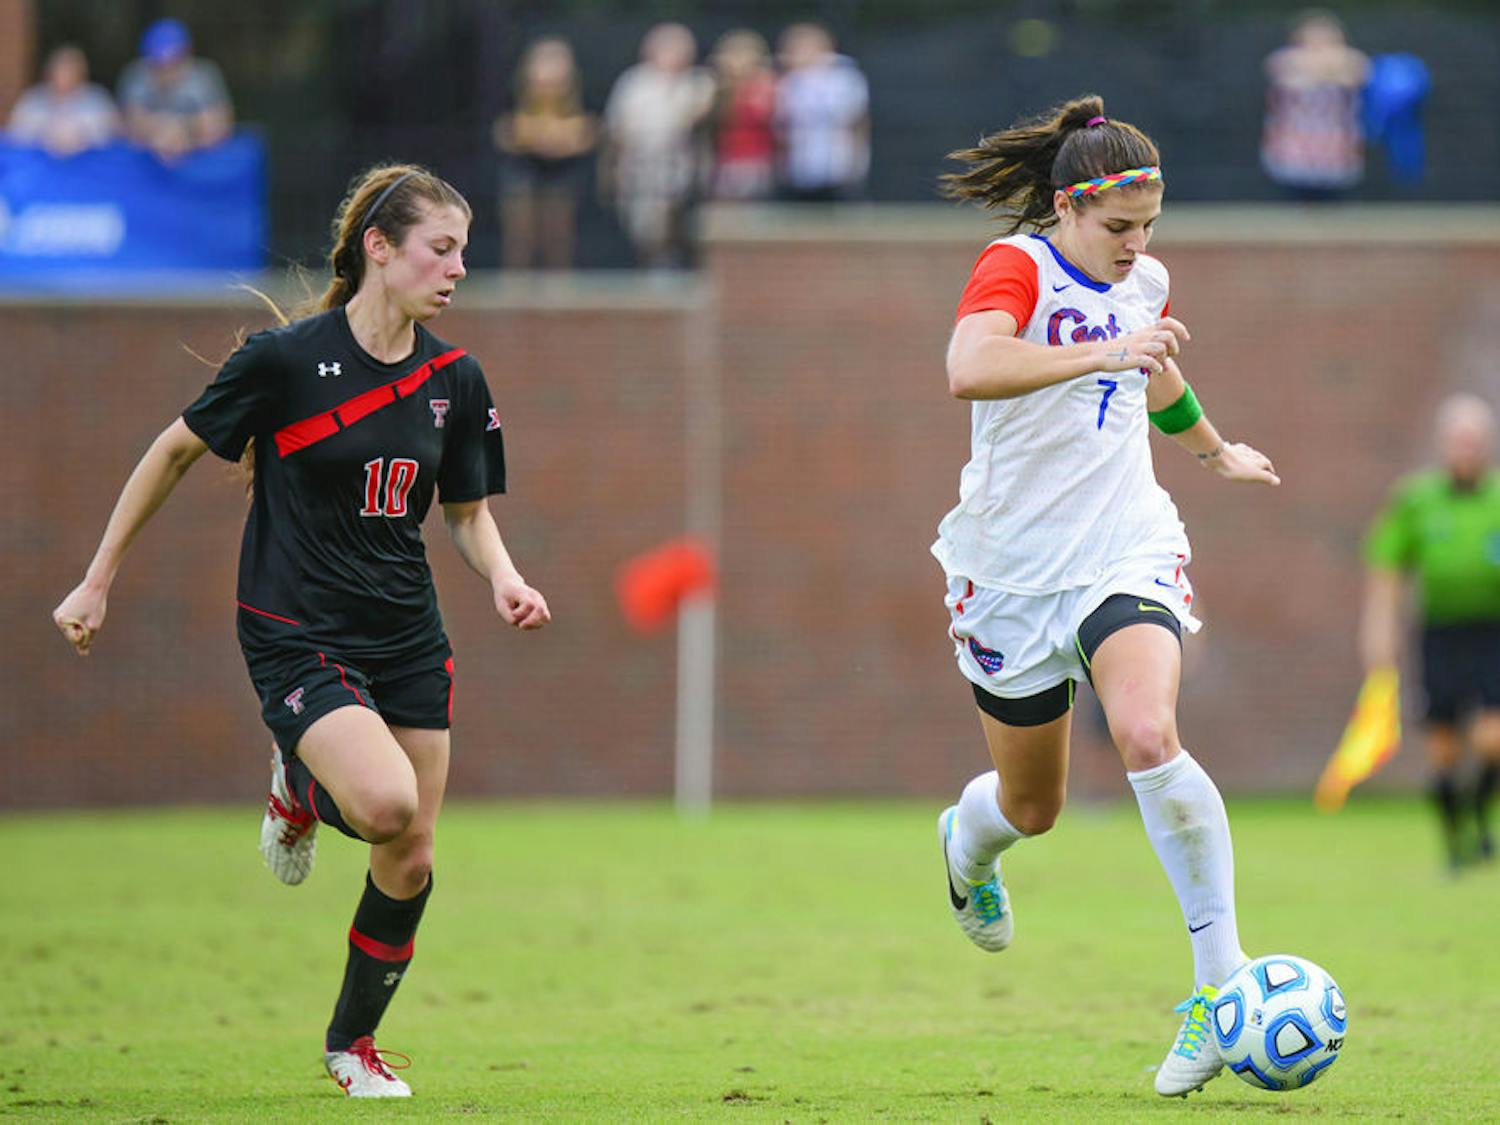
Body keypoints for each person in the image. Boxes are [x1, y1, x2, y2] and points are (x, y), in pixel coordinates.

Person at [51, 164, 550, 1098]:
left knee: (413, 853)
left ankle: (350, 1046)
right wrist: (96, 578)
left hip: (407, 634)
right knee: (386, 805)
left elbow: (467, 513)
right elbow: (172, 452)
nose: (457, 270)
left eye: (463, 254)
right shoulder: (284, 362)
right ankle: (300, 779)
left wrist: (509, 579)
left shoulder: (457, 378)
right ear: (379, 248)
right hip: (296, 628)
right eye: (440, 249)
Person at [932, 95, 1281, 1098]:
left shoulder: (1147, 280)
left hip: (1124, 545)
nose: (1137, 248)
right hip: (1008, 572)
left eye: (1149, 227)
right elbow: (969, 367)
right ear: (1066, 208)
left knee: (1146, 735)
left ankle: (1221, 994)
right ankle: (967, 843)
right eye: (1118, 228)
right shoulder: (1018, 265)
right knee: (1032, 808)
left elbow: (1152, 378)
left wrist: (1214, 452)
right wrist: (1105, 350)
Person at [1360, 393, 1500, 872]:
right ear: (1445, 445)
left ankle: (1481, 814)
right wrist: (1380, 635)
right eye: (1459, 440)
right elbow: (1388, 571)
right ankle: (1456, 841)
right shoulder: (1418, 500)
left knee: (1490, 739)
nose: (1467, 449)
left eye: (1475, 440)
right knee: (1442, 747)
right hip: (1439, 634)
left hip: (1491, 632)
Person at [599, 22, 714, 269]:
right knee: (644, 231)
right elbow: (616, 130)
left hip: (683, 171)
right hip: (640, 170)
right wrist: (613, 169)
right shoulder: (633, 83)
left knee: (680, 230)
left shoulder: (698, 83)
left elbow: (699, 119)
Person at [493, 37, 597, 270]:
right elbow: (506, 133)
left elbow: (587, 133)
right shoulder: (514, 95)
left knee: (558, 235)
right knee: (520, 233)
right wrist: (550, 136)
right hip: (523, 170)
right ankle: (516, 283)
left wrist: (544, 136)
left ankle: (558, 288)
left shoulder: (580, 97)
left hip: (563, 173)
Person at [1260, 8, 1370, 202]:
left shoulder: (1353, 59)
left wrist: (1317, 71)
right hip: (1294, 147)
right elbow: (1285, 71)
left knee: (1334, 206)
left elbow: (1357, 71)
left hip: (1336, 148)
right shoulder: (1284, 59)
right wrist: (1327, 70)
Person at [773, 23, 868, 203]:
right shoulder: (790, 82)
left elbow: (857, 122)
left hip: (837, 163)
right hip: (801, 166)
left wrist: (857, 162)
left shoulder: (844, 78)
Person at [117, 17, 233, 160]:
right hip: (148, 159)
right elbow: (129, 122)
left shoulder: (205, 75)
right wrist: (162, 129)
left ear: (187, 53)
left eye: (173, 62)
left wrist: (183, 129)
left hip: (197, 158)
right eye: (158, 63)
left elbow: (219, 123)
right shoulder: (136, 75)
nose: (166, 70)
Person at [6, 44, 118, 157]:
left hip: (87, 169)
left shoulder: (97, 99)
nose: (66, 75)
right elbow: (16, 134)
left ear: (82, 73)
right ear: (50, 73)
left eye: (71, 70)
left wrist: (82, 136)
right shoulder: (33, 99)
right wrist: (45, 135)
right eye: (61, 69)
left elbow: (111, 136)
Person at [707, 30, 777, 202]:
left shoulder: (765, 86)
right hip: (727, 161)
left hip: (756, 161)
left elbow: (764, 114)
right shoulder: (719, 88)